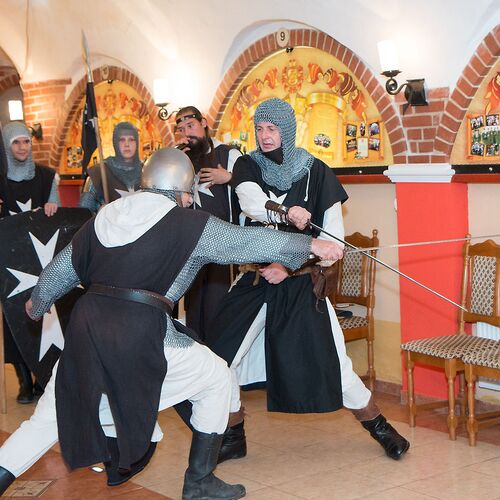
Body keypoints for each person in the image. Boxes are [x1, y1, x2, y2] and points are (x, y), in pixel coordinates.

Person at [0, 147, 343, 499]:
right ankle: (200, 481)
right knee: (217, 376)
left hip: (88, 331)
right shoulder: (188, 224)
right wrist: (311, 245)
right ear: (181, 189)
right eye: (188, 193)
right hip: (141, 331)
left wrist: (37, 303)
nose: (189, 200)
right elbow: (249, 241)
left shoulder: (106, 215)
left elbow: (61, 269)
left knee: (46, 422)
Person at [204, 98, 410, 464]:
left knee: (334, 364)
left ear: (287, 129)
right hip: (255, 282)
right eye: (260, 129)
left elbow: (332, 244)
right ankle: (233, 435)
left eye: (272, 129)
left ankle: (380, 427)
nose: (265, 136)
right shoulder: (248, 165)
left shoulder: (318, 173)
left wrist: (288, 264)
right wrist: (285, 212)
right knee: (221, 359)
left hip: (301, 285)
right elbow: (250, 202)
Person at [0, 121, 60, 404]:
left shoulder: (46, 177)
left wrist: (53, 207)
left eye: (26, 141)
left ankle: (41, 376)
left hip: (42, 260)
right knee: (13, 316)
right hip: (10, 262)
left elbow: (59, 216)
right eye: (16, 142)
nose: (23, 147)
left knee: (44, 314)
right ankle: (24, 380)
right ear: (7, 146)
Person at [175, 106, 241, 341]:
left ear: (204, 123)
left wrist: (229, 177)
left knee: (219, 309)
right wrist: (176, 162)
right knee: (194, 311)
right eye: (181, 129)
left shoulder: (227, 154)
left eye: (190, 126)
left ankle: (221, 360)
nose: (187, 133)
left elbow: (253, 186)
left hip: (223, 245)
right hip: (192, 246)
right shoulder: (181, 158)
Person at [79, 121, 142, 212]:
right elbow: (84, 211)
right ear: (115, 143)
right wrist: (100, 211)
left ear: (137, 142)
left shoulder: (147, 171)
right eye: (122, 140)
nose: (127, 144)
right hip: (109, 221)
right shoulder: (99, 172)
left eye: (131, 139)